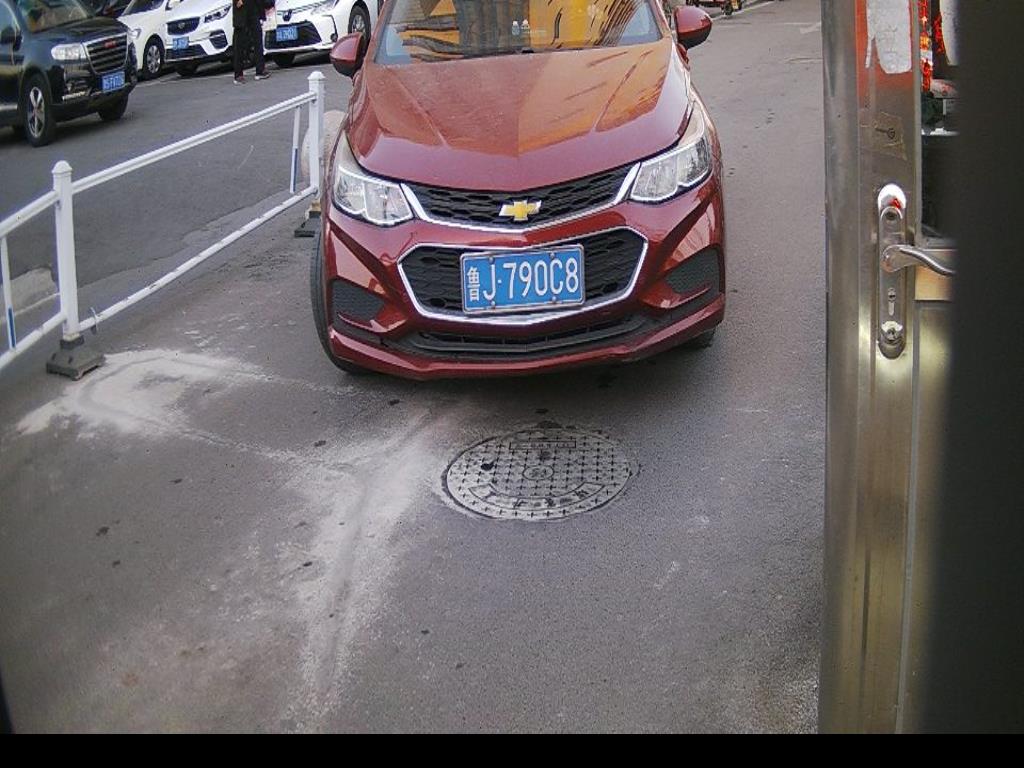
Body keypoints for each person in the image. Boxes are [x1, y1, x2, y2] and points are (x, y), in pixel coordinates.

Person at [232, 0, 269, 84]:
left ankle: (260, 70)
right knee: (240, 41)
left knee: (258, 36)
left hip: (253, 5)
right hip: (242, 6)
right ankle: (238, 74)